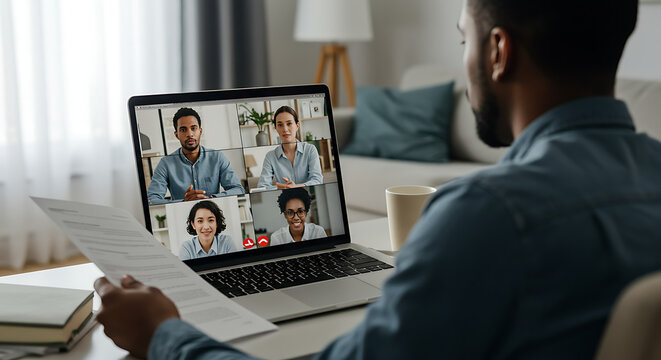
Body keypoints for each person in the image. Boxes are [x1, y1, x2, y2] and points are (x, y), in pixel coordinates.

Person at [93, 0, 661, 358]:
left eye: (463, 40)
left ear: (497, 51)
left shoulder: (489, 215)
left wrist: (162, 335)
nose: (464, 61)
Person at [147, 107, 244, 204]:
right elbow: (151, 199)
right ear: (177, 135)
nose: (190, 134)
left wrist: (211, 198)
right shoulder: (165, 163)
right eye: (183, 130)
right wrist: (184, 202)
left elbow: (238, 189)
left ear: (200, 131)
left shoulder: (217, 157)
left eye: (193, 128)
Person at [256, 105, 323, 190]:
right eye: (280, 125)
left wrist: (295, 187)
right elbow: (262, 187)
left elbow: (317, 180)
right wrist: (280, 188)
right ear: (276, 128)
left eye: (289, 124)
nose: (285, 129)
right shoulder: (270, 156)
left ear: (297, 125)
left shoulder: (310, 150)